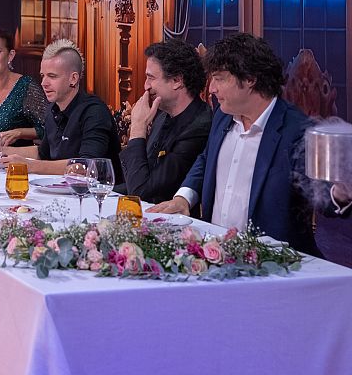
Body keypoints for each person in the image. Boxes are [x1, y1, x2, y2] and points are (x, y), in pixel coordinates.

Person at [148, 33, 349, 254]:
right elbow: (206, 159)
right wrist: (184, 198)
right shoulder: (223, 116)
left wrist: (339, 191)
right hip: (215, 255)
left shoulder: (296, 130)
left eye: (219, 78)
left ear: (250, 78)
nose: (211, 88)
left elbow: (317, 188)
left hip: (275, 266)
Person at [0, 39, 122, 177]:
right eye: (43, 76)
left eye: (52, 76)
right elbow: (42, 153)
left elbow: (86, 166)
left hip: (100, 195)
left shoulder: (95, 112)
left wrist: (29, 166)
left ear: (73, 79)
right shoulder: (52, 109)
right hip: (64, 190)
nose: (43, 83)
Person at [116, 39, 212, 204]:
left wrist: (137, 129)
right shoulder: (161, 115)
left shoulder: (199, 127)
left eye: (151, 78)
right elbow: (138, 178)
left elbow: (142, 192)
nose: (146, 86)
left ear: (177, 81)